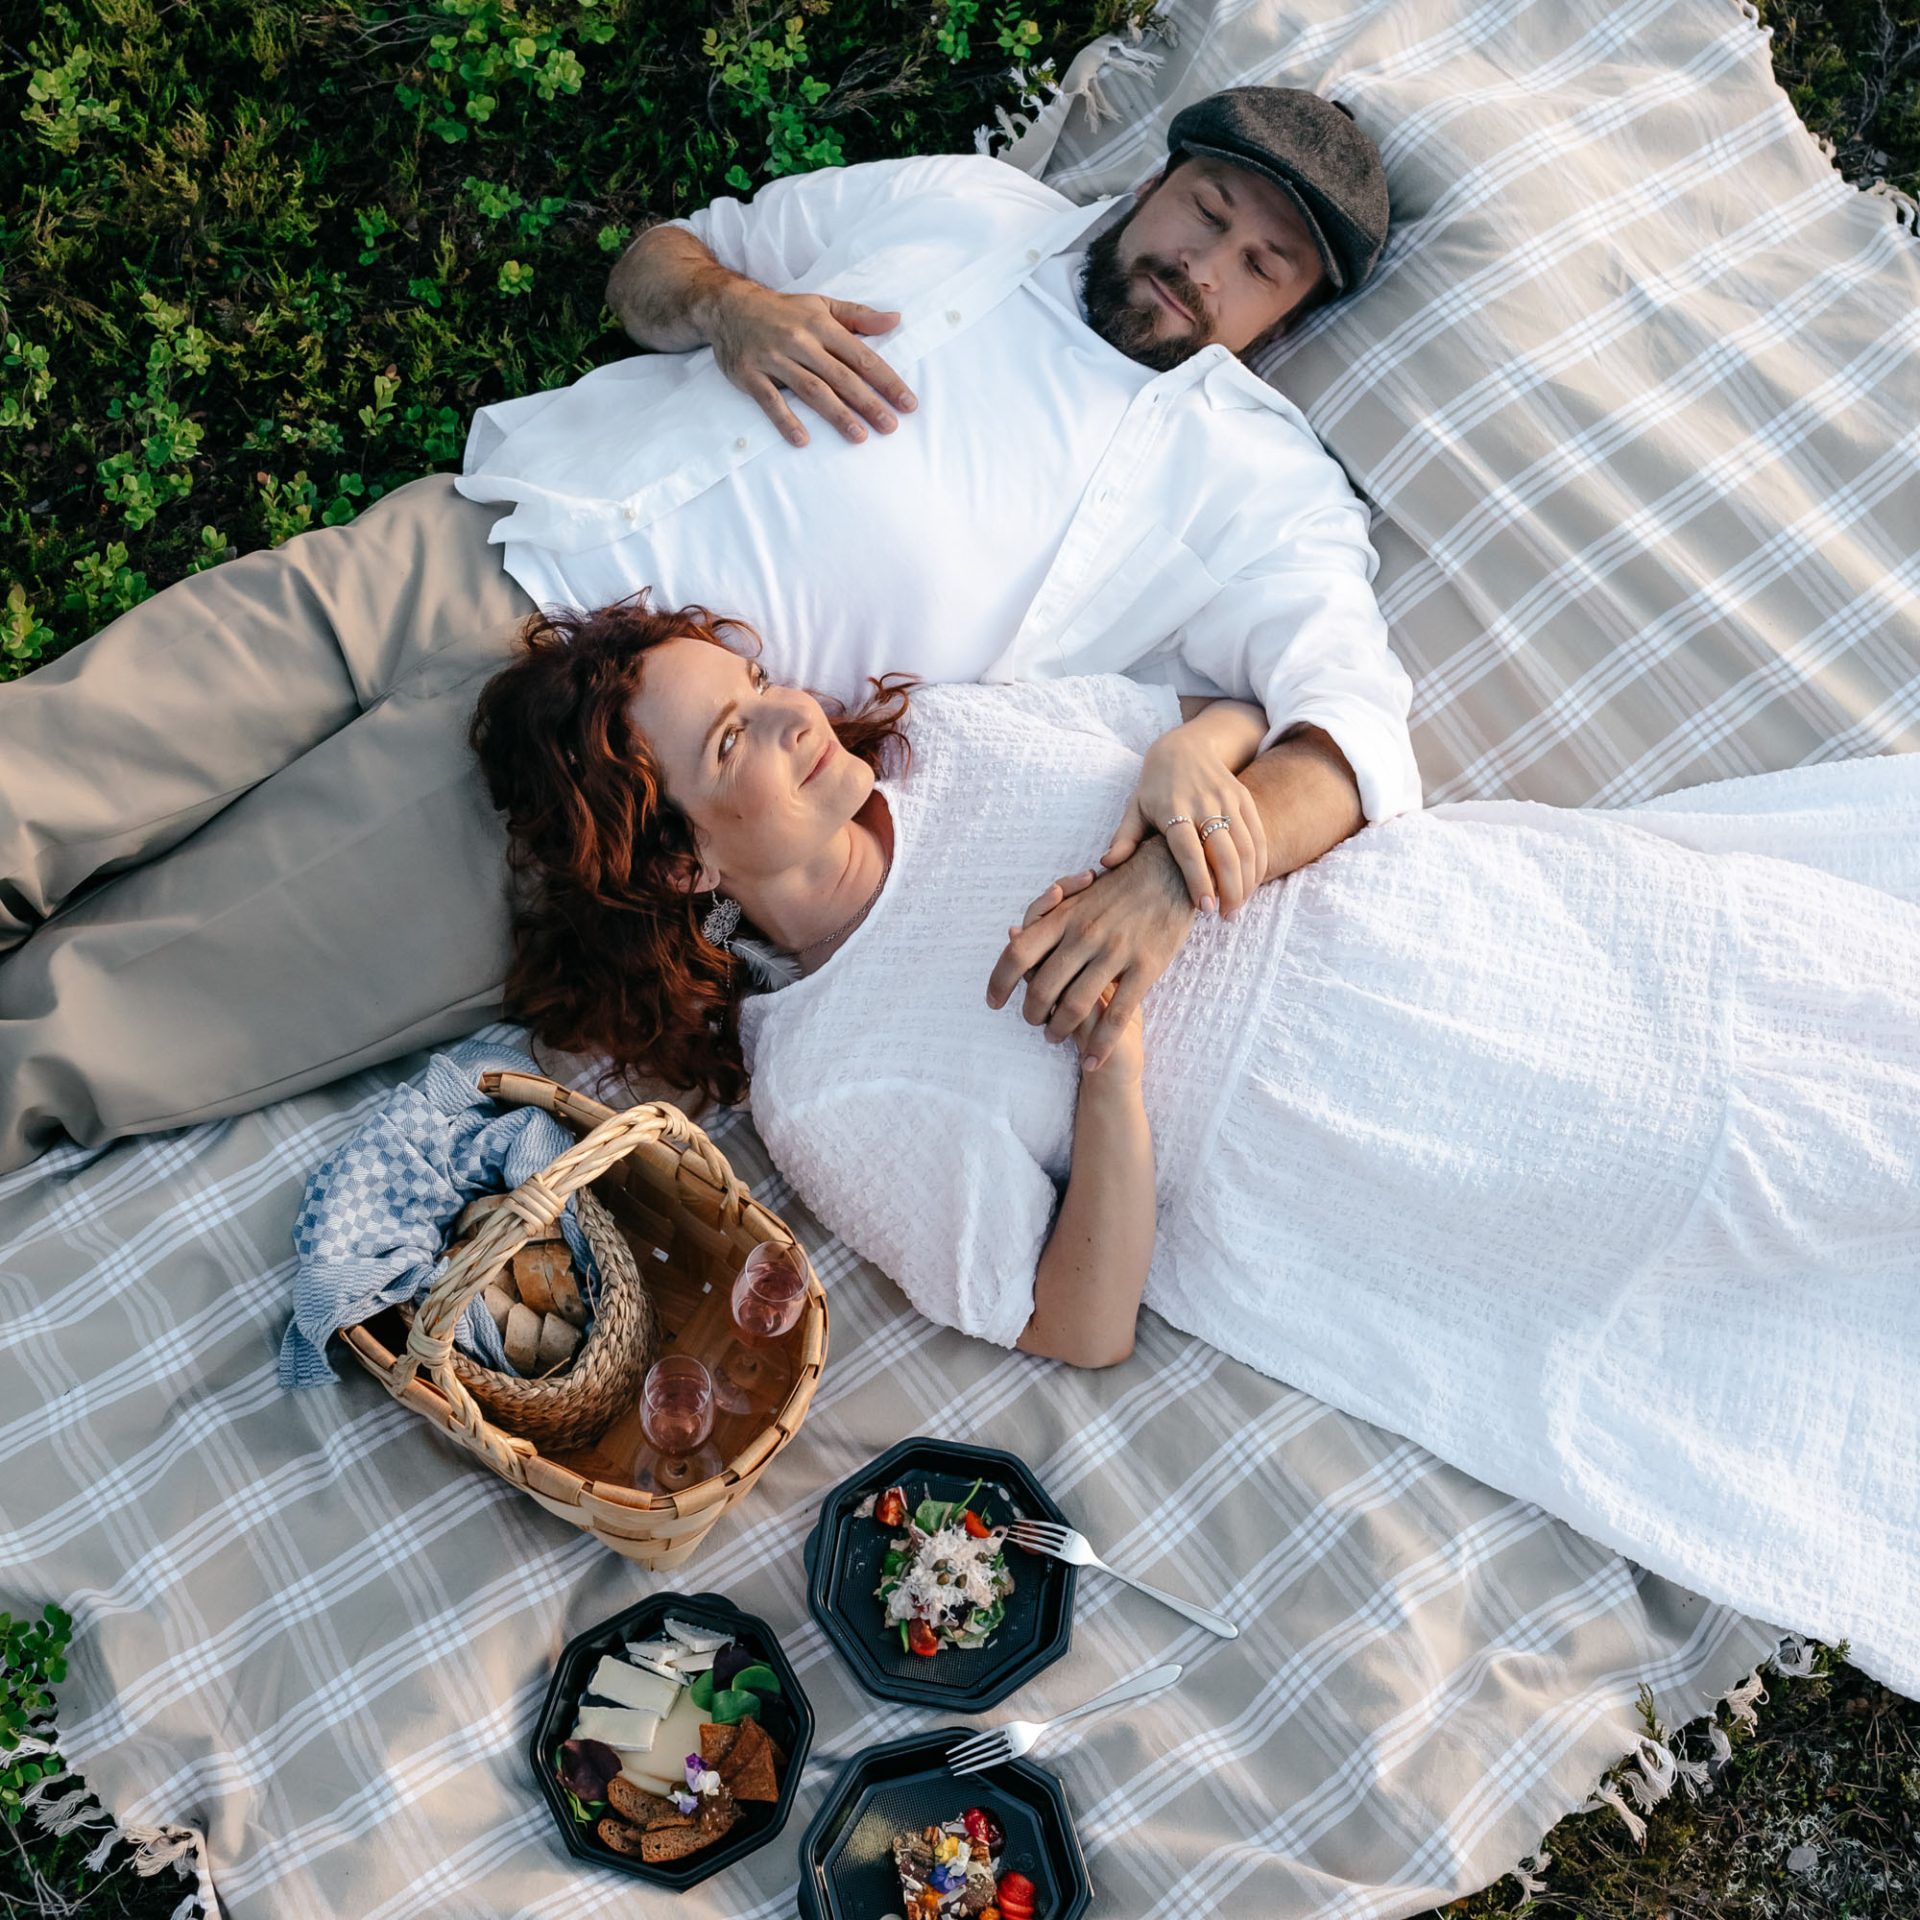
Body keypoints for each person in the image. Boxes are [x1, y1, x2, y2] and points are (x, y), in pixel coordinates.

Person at [0, 86, 1414, 1171]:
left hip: (618, 774)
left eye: (1264, 263)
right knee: (46, 758)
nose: (1207, 264)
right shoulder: (968, 208)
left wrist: (1179, 873)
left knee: (110, 1015)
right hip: (476, 537)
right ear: (1161, 177)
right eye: (1209, 208)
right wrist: (726, 309)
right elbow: (661, 260)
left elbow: (1352, 739)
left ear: (1288, 314)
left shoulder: (1251, 481)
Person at [469, 597, 1920, 1378]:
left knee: (1804, 971)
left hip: (1419, 899)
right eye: (733, 742)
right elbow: (1077, 1326)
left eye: (759, 680)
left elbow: (1225, 717)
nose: (795, 709)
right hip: (1349, 1114)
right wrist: (1112, 1066)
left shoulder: (953, 743)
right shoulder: (834, 1083)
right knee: (1767, 1165)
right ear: (676, 871)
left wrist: (1188, 760)